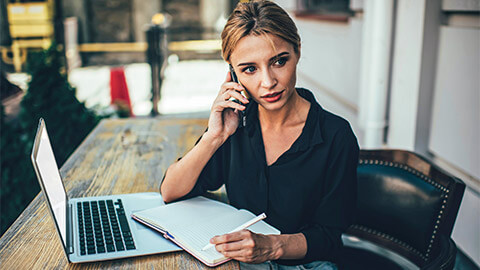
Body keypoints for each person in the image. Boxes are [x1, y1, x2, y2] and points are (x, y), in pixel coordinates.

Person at [160, 1, 359, 269]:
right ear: (232, 74)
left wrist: (272, 247)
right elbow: (170, 191)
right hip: (239, 263)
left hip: (306, 264)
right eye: (249, 69)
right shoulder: (235, 123)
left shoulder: (336, 136)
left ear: (297, 52)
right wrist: (214, 137)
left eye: (279, 61)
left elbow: (329, 238)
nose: (268, 82)